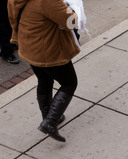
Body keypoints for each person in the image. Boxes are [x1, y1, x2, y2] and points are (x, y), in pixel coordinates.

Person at [8, 0, 80, 142]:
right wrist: (74, 11)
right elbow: (71, 22)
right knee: (69, 83)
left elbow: (12, 17)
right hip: (49, 51)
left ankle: (49, 116)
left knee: (44, 80)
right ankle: (50, 122)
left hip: (29, 47)